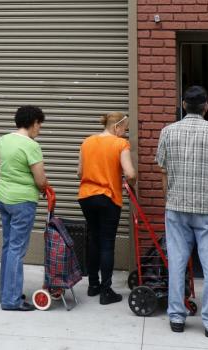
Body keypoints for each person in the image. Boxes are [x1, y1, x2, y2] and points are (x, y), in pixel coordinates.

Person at [156, 86, 208, 337]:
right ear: (206, 107)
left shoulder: (167, 132)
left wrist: (167, 198)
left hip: (176, 207)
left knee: (178, 262)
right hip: (207, 209)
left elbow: (163, 171)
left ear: (183, 105)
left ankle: (176, 317)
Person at [0, 105, 48, 311]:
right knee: (17, 250)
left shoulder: (6, 139)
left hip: (3, 197)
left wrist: (3, 164)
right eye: (40, 125)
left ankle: (8, 292)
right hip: (22, 201)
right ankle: (11, 300)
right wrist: (45, 188)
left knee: (8, 246)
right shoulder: (31, 145)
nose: (40, 129)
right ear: (33, 123)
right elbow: (40, 179)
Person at [77, 112, 136, 305]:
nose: (124, 133)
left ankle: (93, 285)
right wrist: (131, 183)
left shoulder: (86, 142)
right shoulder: (120, 144)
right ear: (116, 127)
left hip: (86, 196)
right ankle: (106, 291)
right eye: (124, 128)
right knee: (107, 242)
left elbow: (79, 172)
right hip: (108, 198)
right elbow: (130, 173)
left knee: (94, 239)